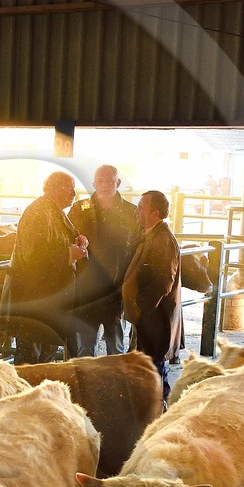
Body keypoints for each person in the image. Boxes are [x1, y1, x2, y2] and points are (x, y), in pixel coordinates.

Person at [6, 171, 88, 364]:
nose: (73, 193)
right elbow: (32, 255)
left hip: (48, 298)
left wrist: (78, 238)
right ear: (55, 188)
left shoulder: (54, 210)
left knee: (45, 352)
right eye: (69, 188)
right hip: (34, 298)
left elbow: (58, 239)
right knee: (31, 356)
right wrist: (69, 254)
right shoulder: (38, 212)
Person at [68, 164, 140, 356]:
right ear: (94, 184)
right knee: (85, 344)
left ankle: (115, 375)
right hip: (86, 287)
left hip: (116, 287)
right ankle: (86, 374)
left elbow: (139, 247)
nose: (105, 185)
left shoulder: (131, 212)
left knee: (115, 343)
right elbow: (67, 238)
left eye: (110, 181)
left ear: (118, 182)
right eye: (100, 181)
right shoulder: (79, 208)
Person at [123, 189, 183, 399]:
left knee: (153, 369)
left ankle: (158, 408)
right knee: (151, 368)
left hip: (155, 318)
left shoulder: (162, 239)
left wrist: (141, 307)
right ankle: (158, 406)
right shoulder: (152, 235)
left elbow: (162, 282)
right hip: (150, 317)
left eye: (141, 208)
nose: (136, 212)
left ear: (155, 214)